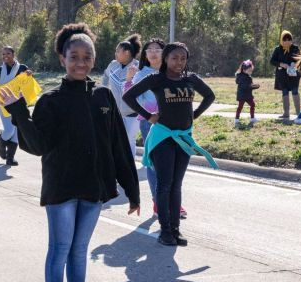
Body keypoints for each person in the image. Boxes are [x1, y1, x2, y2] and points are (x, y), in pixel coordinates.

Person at [0, 23, 140, 282]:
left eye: (86, 56)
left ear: (93, 60)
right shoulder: (51, 101)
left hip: (92, 188)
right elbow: (36, 145)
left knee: (79, 252)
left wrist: (132, 189)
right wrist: (20, 112)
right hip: (62, 189)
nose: (80, 62)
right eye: (73, 56)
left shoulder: (103, 97)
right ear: (63, 59)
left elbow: (118, 145)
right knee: (60, 250)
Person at [124, 42, 216, 247]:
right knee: (165, 184)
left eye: (183, 58)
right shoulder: (157, 79)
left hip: (183, 138)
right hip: (162, 138)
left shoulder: (191, 79)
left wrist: (195, 115)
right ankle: (165, 230)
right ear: (165, 59)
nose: (179, 62)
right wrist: (148, 116)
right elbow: (128, 96)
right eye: (174, 58)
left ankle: (175, 229)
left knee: (176, 185)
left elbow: (210, 96)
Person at [101, 34, 141, 157]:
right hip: (114, 111)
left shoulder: (137, 68)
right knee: (114, 140)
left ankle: (130, 167)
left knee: (128, 139)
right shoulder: (113, 64)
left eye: (118, 51)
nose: (115, 53)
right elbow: (106, 76)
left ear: (127, 53)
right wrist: (103, 90)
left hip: (132, 112)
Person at [270, 31, 301, 119]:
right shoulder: (278, 49)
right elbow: (272, 61)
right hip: (282, 75)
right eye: (285, 40)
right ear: (281, 40)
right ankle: (286, 113)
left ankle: (299, 113)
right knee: (285, 92)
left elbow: (300, 59)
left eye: (289, 39)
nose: (287, 41)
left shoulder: (295, 48)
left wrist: (294, 64)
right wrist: (281, 64)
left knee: (295, 91)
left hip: (293, 74)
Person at [234, 60, 259, 125]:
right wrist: (251, 86)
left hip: (248, 95)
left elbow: (250, 86)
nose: (250, 72)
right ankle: (236, 119)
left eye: (251, 70)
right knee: (240, 107)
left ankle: (252, 118)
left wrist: (255, 86)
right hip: (242, 95)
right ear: (244, 70)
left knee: (252, 105)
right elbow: (245, 86)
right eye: (249, 70)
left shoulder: (249, 77)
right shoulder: (240, 77)